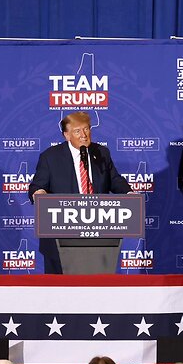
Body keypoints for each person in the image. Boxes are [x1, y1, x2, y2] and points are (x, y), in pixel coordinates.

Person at [27, 111, 131, 273]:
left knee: (96, 290)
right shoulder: (50, 157)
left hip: (98, 236)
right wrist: (40, 194)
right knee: (61, 293)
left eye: (86, 129)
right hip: (60, 238)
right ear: (66, 135)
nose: (83, 135)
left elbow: (114, 179)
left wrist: (129, 193)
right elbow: (36, 186)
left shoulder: (101, 152)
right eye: (77, 131)